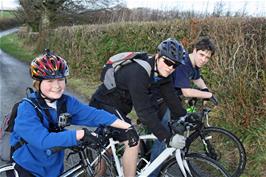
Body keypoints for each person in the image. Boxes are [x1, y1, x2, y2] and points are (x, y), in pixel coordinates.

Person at [9, 50, 139, 177]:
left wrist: (127, 127)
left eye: (60, 79)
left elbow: (94, 115)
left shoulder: (65, 102)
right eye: (49, 81)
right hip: (27, 167)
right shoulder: (27, 108)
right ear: (38, 83)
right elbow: (42, 140)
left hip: (52, 168)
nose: (56, 86)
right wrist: (80, 134)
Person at [90, 38, 188, 177]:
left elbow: (171, 97)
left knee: (113, 142)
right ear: (158, 56)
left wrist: (184, 116)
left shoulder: (162, 73)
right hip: (104, 104)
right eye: (168, 62)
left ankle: (98, 168)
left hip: (120, 107)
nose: (171, 68)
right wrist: (167, 138)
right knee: (132, 140)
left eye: (175, 65)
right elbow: (144, 112)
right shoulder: (139, 72)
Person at [149, 36, 217, 177]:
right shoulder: (184, 63)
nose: (203, 59)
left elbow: (197, 78)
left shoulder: (194, 65)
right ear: (194, 50)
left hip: (171, 99)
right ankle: (152, 173)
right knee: (163, 136)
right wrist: (208, 96)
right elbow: (186, 91)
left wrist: (205, 90)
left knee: (177, 125)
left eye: (207, 57)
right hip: (159, 99)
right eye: (201, 55)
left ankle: (167, 154)